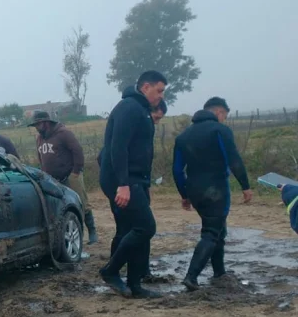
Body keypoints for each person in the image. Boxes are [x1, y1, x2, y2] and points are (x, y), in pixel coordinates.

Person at [98, 70, 167, 299]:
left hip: (136, 180)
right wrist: (124, 184)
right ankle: (110, 270)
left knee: (132, 229)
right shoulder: (129, 107)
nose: (161, 96)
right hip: (122, 180)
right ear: (145, 87)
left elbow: (141, 152)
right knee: (145, 227)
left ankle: (135, 285)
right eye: (159, 90)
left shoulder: (143, 111)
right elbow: (118, 147)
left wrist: (145, 185)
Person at [172, 97, 252, 291]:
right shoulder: (220, 131)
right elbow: (233, 160)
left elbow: (176, 170)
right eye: (224, 115)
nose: (224, 119)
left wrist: (184, 194)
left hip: (194, 189)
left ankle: (219, 272)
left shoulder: (183, 136)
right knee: (211, 232)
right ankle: (191, 276)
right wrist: (245, 185)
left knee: (217, 230)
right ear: (218, 112)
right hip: (216, 189)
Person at [30, 111, 97, 245]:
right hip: (52, 179)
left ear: (46, 122)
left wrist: (76, 172)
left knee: (81, 202)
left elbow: (77, 151)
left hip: (70, 175)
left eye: (38, 124)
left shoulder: (64, 133)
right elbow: (41, 157)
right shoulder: (39, 138)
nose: (36, 127)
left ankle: (92, 231)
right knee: (59, 206)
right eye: (35, 124)